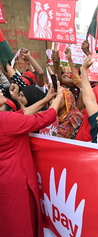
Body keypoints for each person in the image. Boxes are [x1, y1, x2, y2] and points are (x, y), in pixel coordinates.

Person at [0, 82, 64, 237]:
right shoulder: (4, 120)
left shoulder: (6, 119)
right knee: (22, 222)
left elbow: (25, 112)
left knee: (8, 221)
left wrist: (46, 99)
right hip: (17, 178)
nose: (1, 92)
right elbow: (45, 118)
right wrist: (60, 96)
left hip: (6, 176)